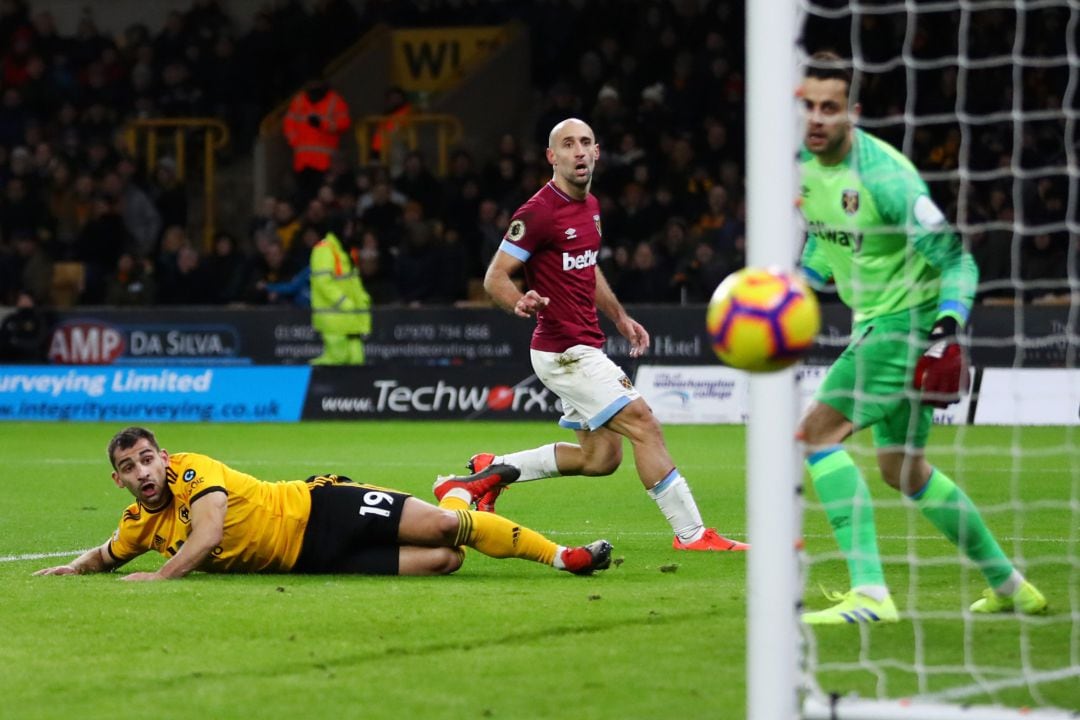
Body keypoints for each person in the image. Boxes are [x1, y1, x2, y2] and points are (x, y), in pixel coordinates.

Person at [796, 51, 1047, 624]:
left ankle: (870, 595)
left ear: (851, 113)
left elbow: (958, 261)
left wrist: (947, 326)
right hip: (880, 323)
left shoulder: (886, 178)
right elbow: (822, 239)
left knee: (812, 438)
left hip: (903, 327)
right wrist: (798, 289)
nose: (816, 118)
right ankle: (1009, 585)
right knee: (903, 471)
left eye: (829, 108)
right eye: (807, 106)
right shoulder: (802, 170)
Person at [438, 118, 747, 553]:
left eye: (586, 143)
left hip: (582, 345)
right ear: (553, 157)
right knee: (645, 424)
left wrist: (619, 316)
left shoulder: (590, 207)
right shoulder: (539, 211)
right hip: (565, 351)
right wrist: (519, 300)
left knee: (600, 459)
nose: (579, 151)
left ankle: (494, 470)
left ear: (598, 152)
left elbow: (586, 265)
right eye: (568, 145)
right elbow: (494, 277)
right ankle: (694, 535)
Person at [33, 426, 612, 581]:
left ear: (164, 457)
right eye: (129, 468)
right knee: (445, 561)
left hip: (319, 508)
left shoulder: (193, 471)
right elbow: (106, 555)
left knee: (442, 528)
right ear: (121, 482)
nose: (143, 472)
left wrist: (160, 578)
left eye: (146, 459)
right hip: (311, 560)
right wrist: (73, 569)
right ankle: (466, 486)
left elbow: (207, 537)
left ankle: (564, 558)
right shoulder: (138, 523)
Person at [309, 214, 371, 364]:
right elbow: (323, 282)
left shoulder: (344, 250)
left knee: (357, 360)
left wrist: (362, 299)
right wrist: (343, 302)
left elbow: (353, 281)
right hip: (334, 316)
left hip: (350, 317)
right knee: (337, 359)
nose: (350, 231)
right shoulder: (324, 250)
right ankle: (309, 378)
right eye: (347, 227)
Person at [283, 79, 352, 208]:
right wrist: (294, 142)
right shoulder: (299, 101)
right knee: (303, 198)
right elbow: (288, 124)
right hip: (302, 162)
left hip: (324, 163)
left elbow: (344, 123)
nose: (313, 85)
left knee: (324, 198)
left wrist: (322, 124)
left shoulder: (335, 101)